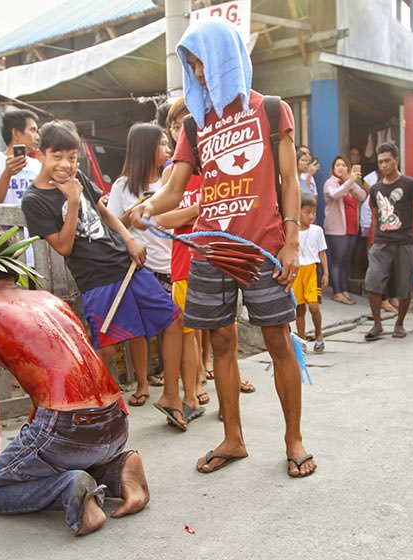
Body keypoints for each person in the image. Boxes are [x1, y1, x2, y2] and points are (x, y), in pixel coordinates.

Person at [130, 20, 316, 478]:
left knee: (278, 342)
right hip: (210, 249)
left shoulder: (271, 110)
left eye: (203, 63)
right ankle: (233, 437)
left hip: (265, 246)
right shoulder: (194, 126)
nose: (198, 73)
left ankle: (294, 438)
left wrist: (292, 241)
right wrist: (146, 208)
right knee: (223, 342)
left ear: (228, 59)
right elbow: (173, 191)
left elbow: (290, 180)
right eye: (191, 66)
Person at [0, 231, 149, 536]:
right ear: (13, 270)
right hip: (116, 421)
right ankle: (119, 469)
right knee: (57, 451)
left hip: (69, 429)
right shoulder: (48, 299)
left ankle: (72, 492)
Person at [21, 120, 188, 430]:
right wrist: (71, 202)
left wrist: (128, 239)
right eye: (57, 156)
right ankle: (88, 407)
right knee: (106, 347)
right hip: (95, 278)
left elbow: (105, 211)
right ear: (41, 154)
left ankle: (170, 396)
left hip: (125, 265)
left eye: (72, 157)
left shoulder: (78, 176)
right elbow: (64, 247)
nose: (66, 165)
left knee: (173, 318)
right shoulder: (34, 200)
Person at [107, 123, 192, 416]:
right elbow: (114, 224)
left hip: (173, 262)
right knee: (139, 329)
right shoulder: (121, 186)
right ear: (145, 149)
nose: (168, 151)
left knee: (177, 324)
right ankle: (142, 383)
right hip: (140, 266)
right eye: (162, 145)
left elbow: (177, 215)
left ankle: (181, 385)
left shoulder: (170, 183)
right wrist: (138, 211)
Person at [363, 143, 413, 341]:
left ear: (396, 160)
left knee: (403, 286)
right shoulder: (375, 189)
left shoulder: (410, 184)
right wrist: (371, 241)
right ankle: (377, 323)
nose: (383, 165)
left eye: (387, 161)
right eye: (380, 161)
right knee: (373, 281)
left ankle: (399, 323)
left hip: (405, 241)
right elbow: (375, 217)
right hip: (381, 242)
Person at [323, 155, 367, 304]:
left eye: (343, 165)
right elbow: (336, 194)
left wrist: (352, 182)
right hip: (337, 229)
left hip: (351, 227)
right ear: (333, 169)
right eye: (337, 165)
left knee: (346, 261)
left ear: (348, 168)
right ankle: (337, 291)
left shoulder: (350, 183)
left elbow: (362, 196)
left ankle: (344, 289)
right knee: (337, 261)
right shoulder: (330, 183)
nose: (340, 168)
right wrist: (350, 181)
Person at [0, 109, 40, 205]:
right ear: (16, 133)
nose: (37, 136)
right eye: (32, 130)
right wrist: (7, 174)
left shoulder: (37, 165)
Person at [295, 194, 329, 352]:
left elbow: (322, 253)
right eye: (307, 212)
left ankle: (318, 334)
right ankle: (302, 340)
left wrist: (326, 273)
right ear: (298, 212)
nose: (311, 216)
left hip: (312, 270)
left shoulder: (317, 231)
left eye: (313, 213)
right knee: (299, 308)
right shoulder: (292, 231)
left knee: (314, 307)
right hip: (297, 271)